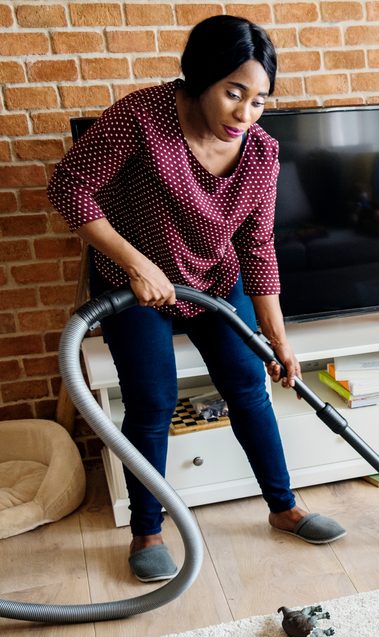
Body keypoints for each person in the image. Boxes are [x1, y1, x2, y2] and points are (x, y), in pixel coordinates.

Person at [47, 15, 345, 583]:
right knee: (152, 402)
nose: (245, 113)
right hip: (135, 286)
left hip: (212, 280)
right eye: (234, 93)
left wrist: (278, 341)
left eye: (259, 100)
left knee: (248, 386)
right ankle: (148, 530)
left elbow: (258, 247)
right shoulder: (141, 117)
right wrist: (135, 262)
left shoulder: (259, 153)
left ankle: (284, 507)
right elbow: (69, 186)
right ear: (200, 78)